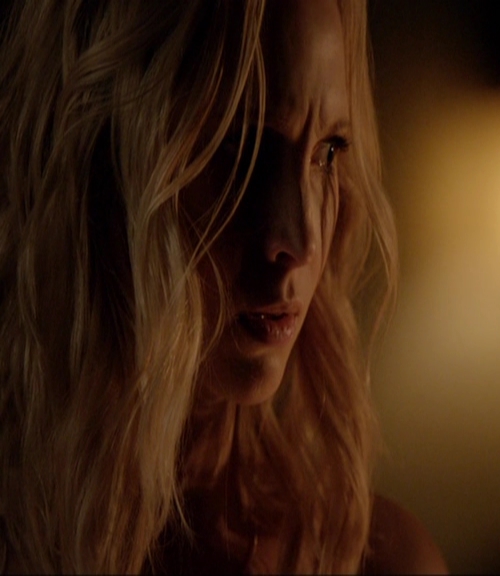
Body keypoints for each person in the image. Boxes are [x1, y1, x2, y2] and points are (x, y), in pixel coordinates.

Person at [0, 0, 448, 573]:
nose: (299, 241)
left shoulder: (377, 561)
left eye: (328, 152)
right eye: (240, 147)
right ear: (110, 156)